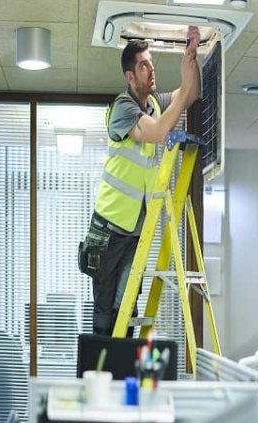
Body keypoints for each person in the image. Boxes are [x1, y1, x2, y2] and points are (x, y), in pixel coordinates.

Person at [80, 27, 202, 336]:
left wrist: (191, 58)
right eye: (144, 65)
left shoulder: (156, 105)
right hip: (109, 226)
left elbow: (191, 94)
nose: (151, 69)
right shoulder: (123, 108)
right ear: (130, 76)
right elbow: (160, 131)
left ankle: (123, 377)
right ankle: (99, 378)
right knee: (106, 313)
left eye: (151, 62)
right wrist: (181, 95)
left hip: (136, 228)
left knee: (128, 308)